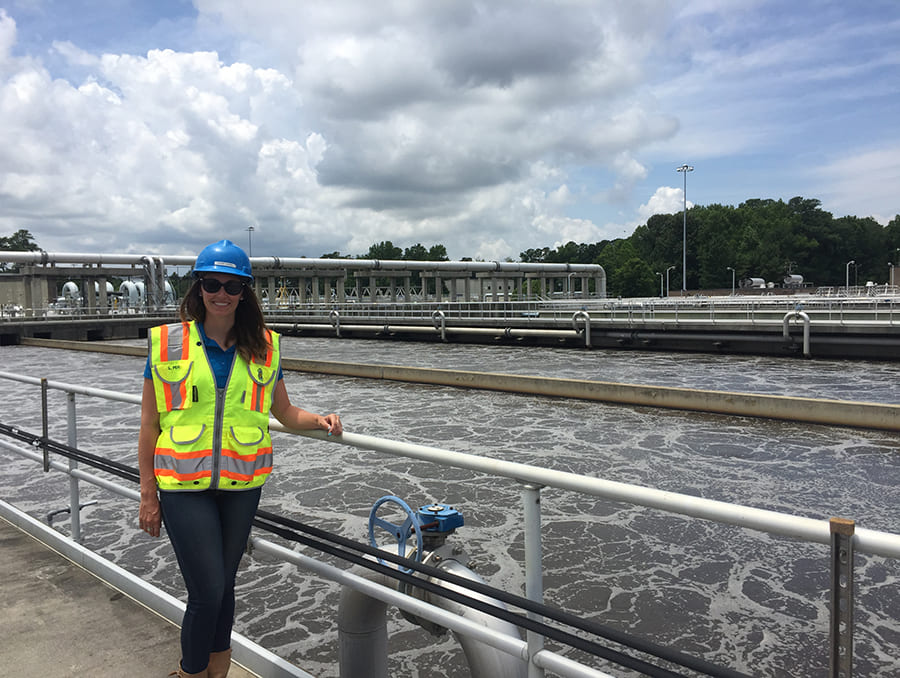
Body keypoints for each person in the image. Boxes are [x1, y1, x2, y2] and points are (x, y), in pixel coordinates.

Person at [138, 239, 342, 678]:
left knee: (225, 587)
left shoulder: (265, 346)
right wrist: (147, 495)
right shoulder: (166, 343)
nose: (222, 294)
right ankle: (189, 674)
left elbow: (283, 412)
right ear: (198, 288)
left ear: (245, 292)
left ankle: (218, 672)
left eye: (233, 286)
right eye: (212, 283)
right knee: (208, 591)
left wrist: (320, 419)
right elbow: (149, 425)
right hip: (180, 486)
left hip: (241, 486)